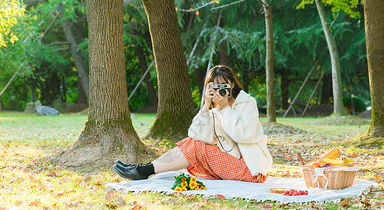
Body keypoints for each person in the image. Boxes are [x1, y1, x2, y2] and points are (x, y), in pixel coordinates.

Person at [113, 65, 272, 183]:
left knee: (194, 147)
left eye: (224, 85)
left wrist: (224, 108)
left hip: (251, 170)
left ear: (232, 85)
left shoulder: (247, 102)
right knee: (190, 143)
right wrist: (206, 105)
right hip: (232, 162)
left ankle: (142, 171)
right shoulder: (216, 109)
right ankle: (143, 168)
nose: (221, 90)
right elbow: (196, 136)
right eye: (215, 86)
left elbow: (244, 135)